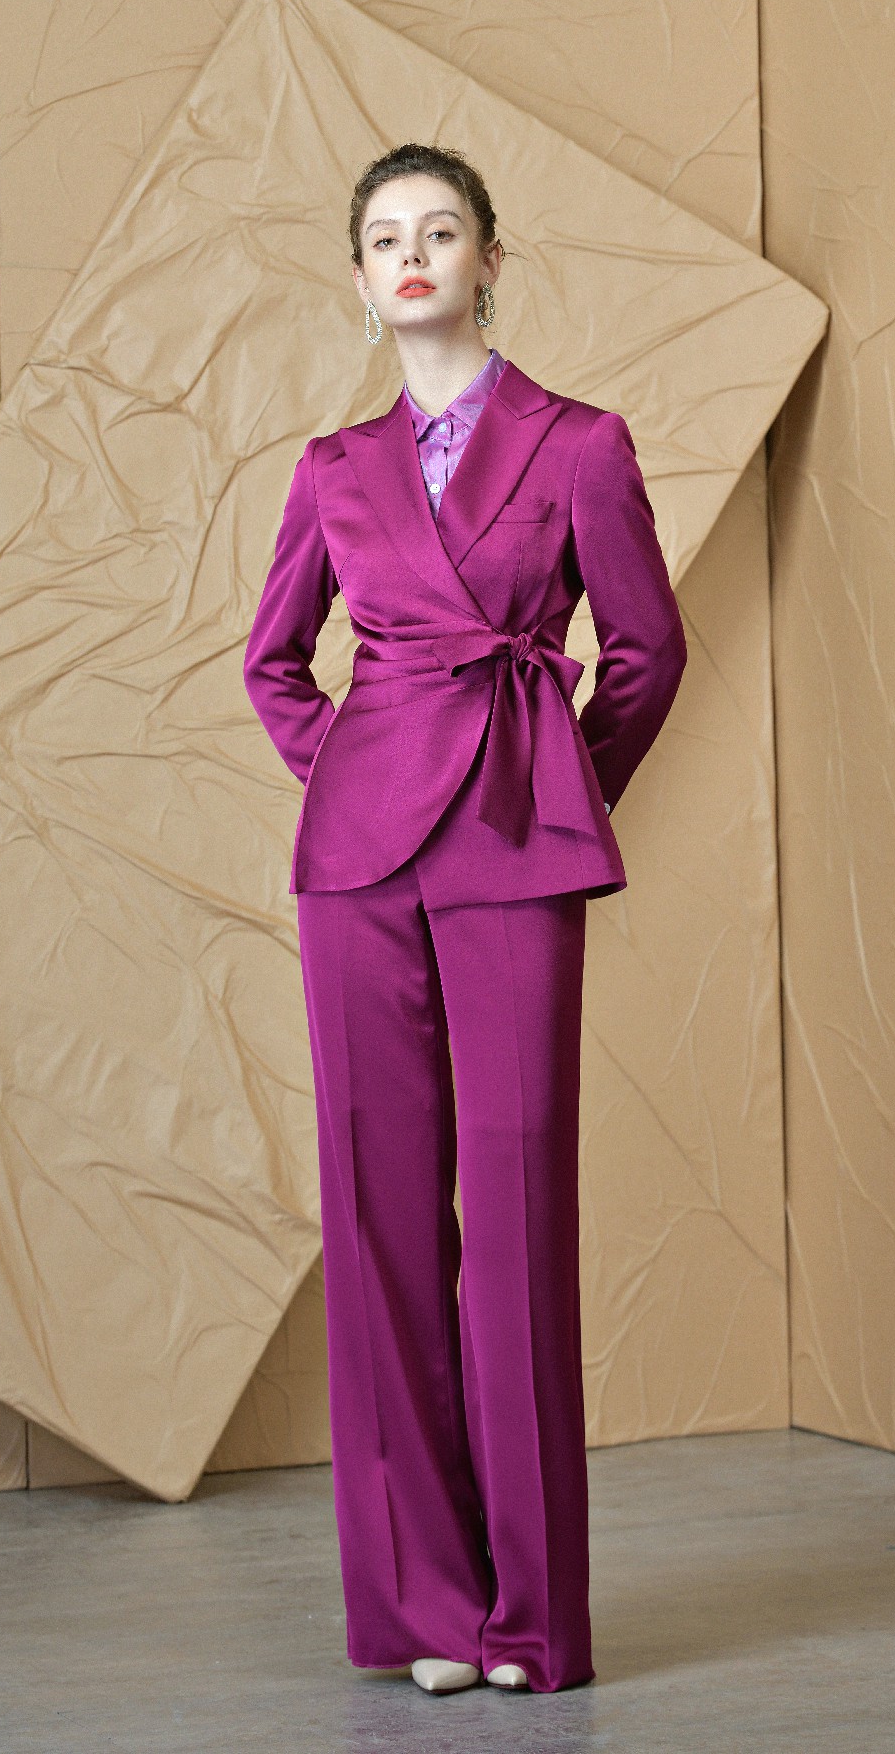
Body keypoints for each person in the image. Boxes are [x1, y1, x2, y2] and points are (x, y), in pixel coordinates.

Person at [243, 142, 688, 1696]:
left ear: (492, 260)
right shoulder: (332, 469)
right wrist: (360, 773)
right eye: (386, 238)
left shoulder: (580, 445)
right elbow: (274, 664)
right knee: (378, 1226)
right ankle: (430, 1612)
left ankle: (530, 1622)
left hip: (511, 849)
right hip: (359, 870)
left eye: (442, 230)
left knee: (513, 1224)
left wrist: (551, 786)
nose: (413, 254)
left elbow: (646, 651)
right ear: (361, 281)